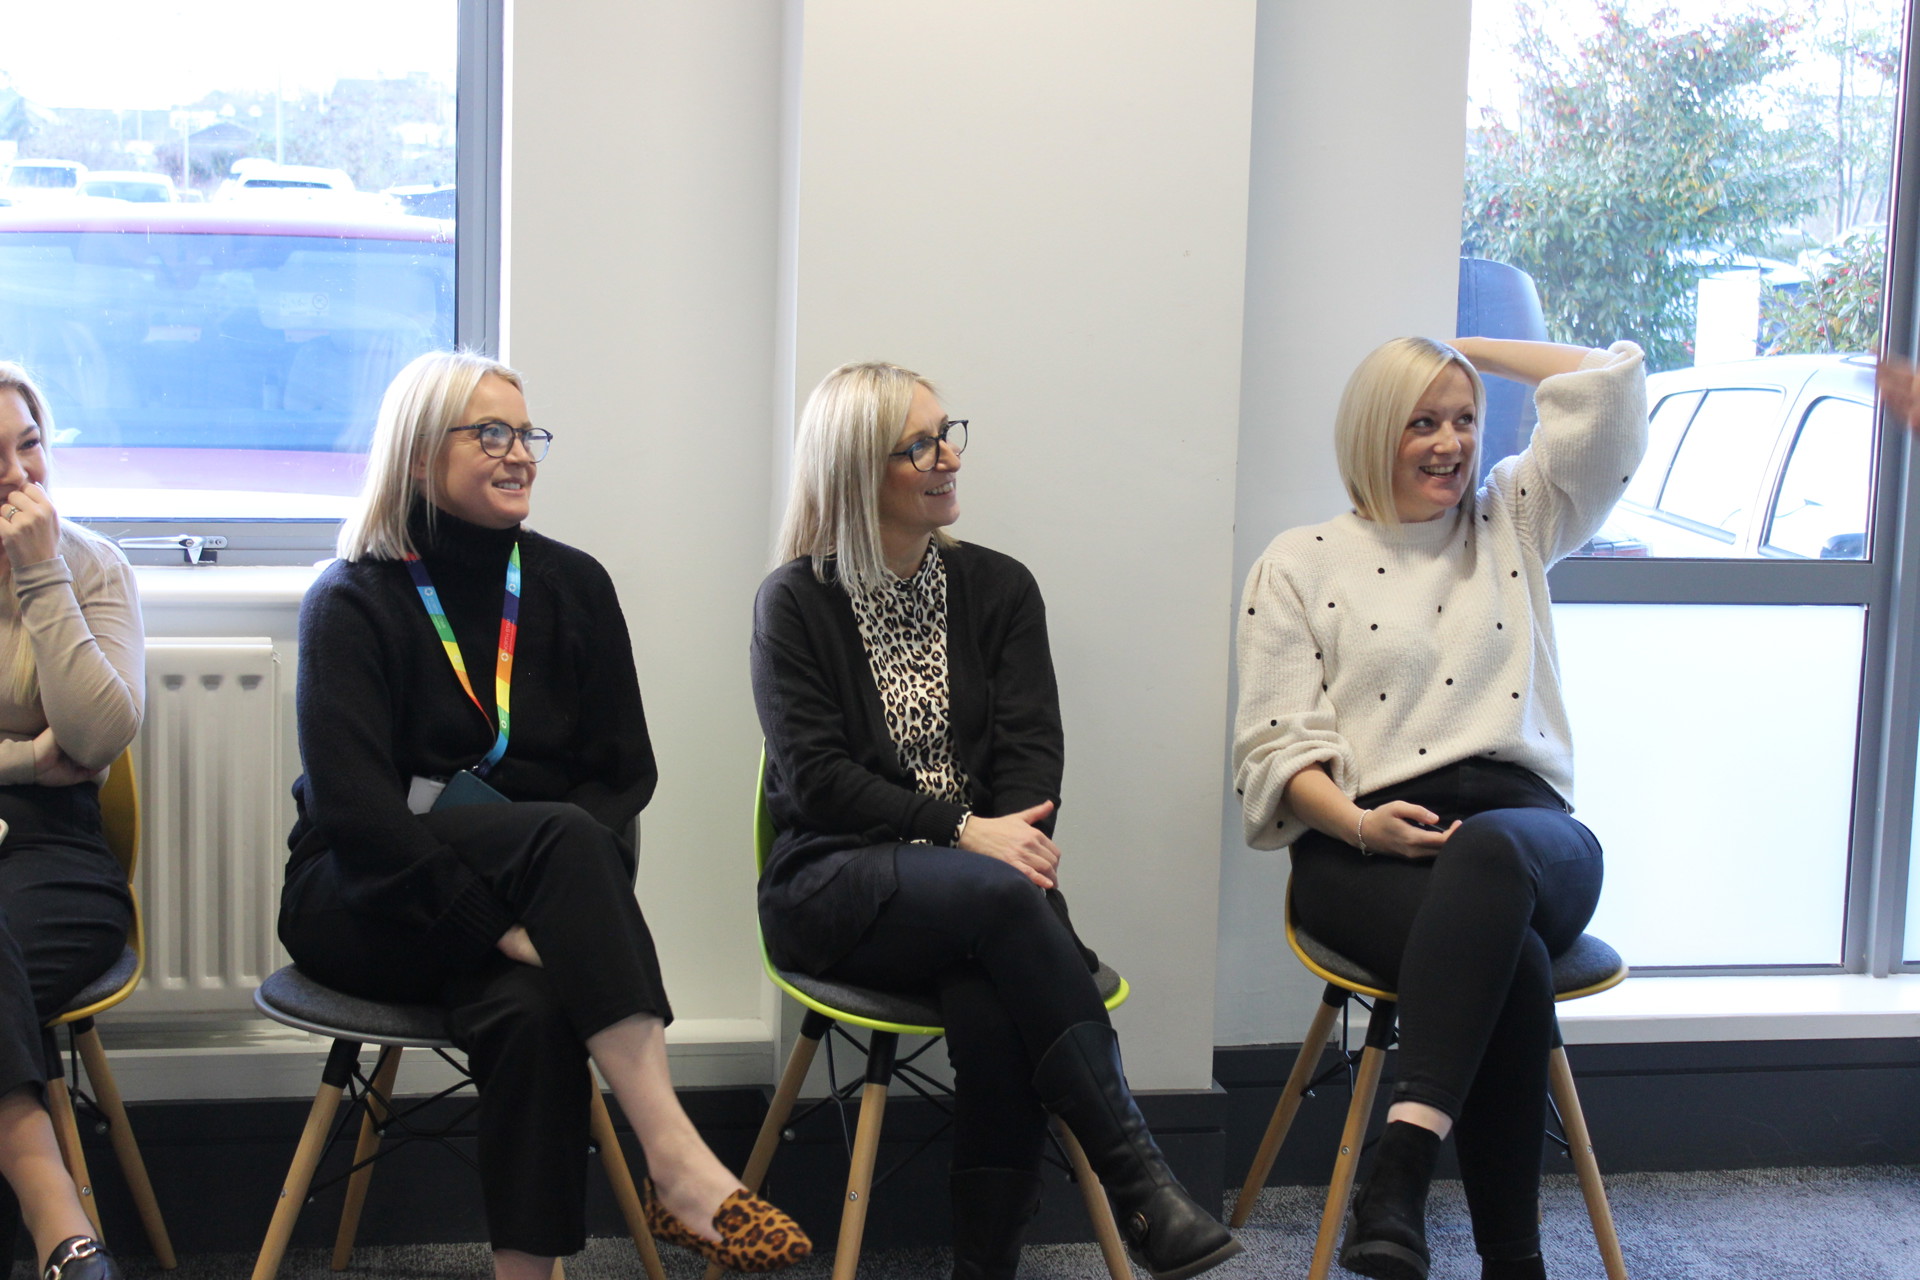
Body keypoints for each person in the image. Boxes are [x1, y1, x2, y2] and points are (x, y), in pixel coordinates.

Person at [278, 351, 808, 1280]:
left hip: (533, 903)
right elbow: (358, 817)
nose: (519, 453)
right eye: (491, 433)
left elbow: (623, 775)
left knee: (532, 1006)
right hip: (361, 897)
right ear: (415, 455)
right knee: (556, 840)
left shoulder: (574, 586)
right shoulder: (350, 600)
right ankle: (677, 1159)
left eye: (528, 434)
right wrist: (508, 925)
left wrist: (545, 924)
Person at [751, 361, 1241, 1280]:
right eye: (922, 445)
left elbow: (1030, 762)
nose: (949, 458)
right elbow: (816, 783)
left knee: (990, 992)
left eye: (949, 433)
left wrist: (990, 843)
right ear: (860, 470)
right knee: (1004, 906)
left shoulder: (1000, 589)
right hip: (834, 881)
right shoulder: (795, 602)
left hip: (984, 893)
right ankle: (1142, 1184)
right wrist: (963, 833)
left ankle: (989, 1267)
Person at [1233, 337, 1647, 1280]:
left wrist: (1464, 348)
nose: (1450, 443)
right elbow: (1273, 746)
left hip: (1527, 836)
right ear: (1375, 432)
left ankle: (1401, 1167)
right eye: (1422, 421)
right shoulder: (1299, 563)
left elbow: (1614, 389)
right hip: (1366, 844)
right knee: (1515, 962)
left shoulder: (1514, 517)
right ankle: (1514, 1262)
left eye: (1464, 419)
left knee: (1495, 864)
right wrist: (1357, 823)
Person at [0, 362, 145, 1280]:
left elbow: (95, 736)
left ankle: (45, 1193)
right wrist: (20, 757)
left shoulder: (91, 567)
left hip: (55, 849)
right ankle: (63, 1229)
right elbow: (51, 747)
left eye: (30, 447)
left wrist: (40, 575)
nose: (20, 477)